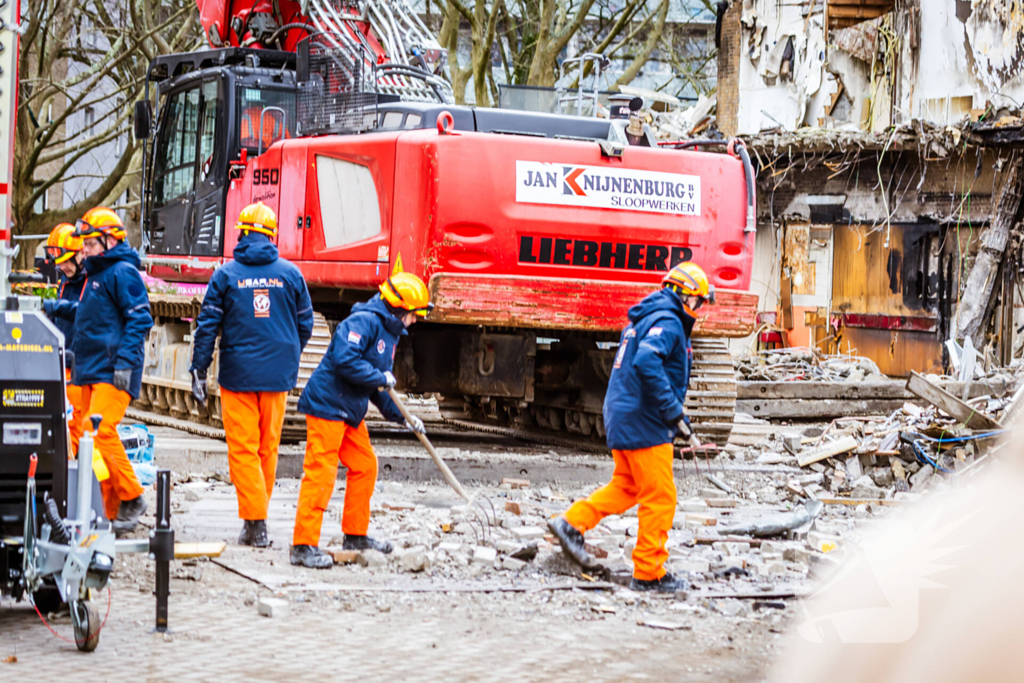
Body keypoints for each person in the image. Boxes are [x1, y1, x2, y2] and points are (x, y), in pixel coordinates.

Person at [547, 262, 715, 592]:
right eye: (698, 301)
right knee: (661, 496)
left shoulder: (643, 319)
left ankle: (570, 523)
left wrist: (679, 419)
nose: (698, 309)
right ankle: (649, 573)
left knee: (627, 486)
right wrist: (673, 412)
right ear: (686, 297)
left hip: (622, 415)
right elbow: (648, 362)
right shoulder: (668, 321)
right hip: (645, 421)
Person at [190, 202, 314, 547]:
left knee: (243, 448)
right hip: (278, 377)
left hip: (238, 375)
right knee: (267, 447)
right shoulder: (291, 274)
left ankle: (255, 522)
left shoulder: (226, 275)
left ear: (242, 233)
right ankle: (257, 516)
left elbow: (207, 327)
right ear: (272, 235)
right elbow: (305, 324)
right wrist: (287, 354)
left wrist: (199, 368)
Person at [289, 272, 432, 569]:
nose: (415, 321)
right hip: (328, 406)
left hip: (350, 410)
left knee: (365, 465)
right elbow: (345, 360)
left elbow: (379, 389)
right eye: (414, 314)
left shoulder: (389, 333)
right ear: (399, 308)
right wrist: (380, 377)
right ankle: (303, 545)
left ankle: (355, 535)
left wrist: (404, 419)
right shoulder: (362, 322)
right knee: (321, 473)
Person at [46, 207, 153, 533]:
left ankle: (132, 496)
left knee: (100, 431)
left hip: (111, 370)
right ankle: (111, 510)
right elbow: (86, 313)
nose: (86, 250)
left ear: (110, 241)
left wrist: (125, 364)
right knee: (89, 441)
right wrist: (52, 307)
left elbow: (140, 319)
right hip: (91, 369)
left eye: (91, 244)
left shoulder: (123, 272)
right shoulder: (97, 276)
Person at [43, 223, 87, 454]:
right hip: (62, 363)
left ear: (80, 254)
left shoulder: (92, 281)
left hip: (79, 366)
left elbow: (86, 312)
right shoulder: (66, 281)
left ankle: (72, 468)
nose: (63, 267)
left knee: (75, 428)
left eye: (66, 262)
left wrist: (55, 307)